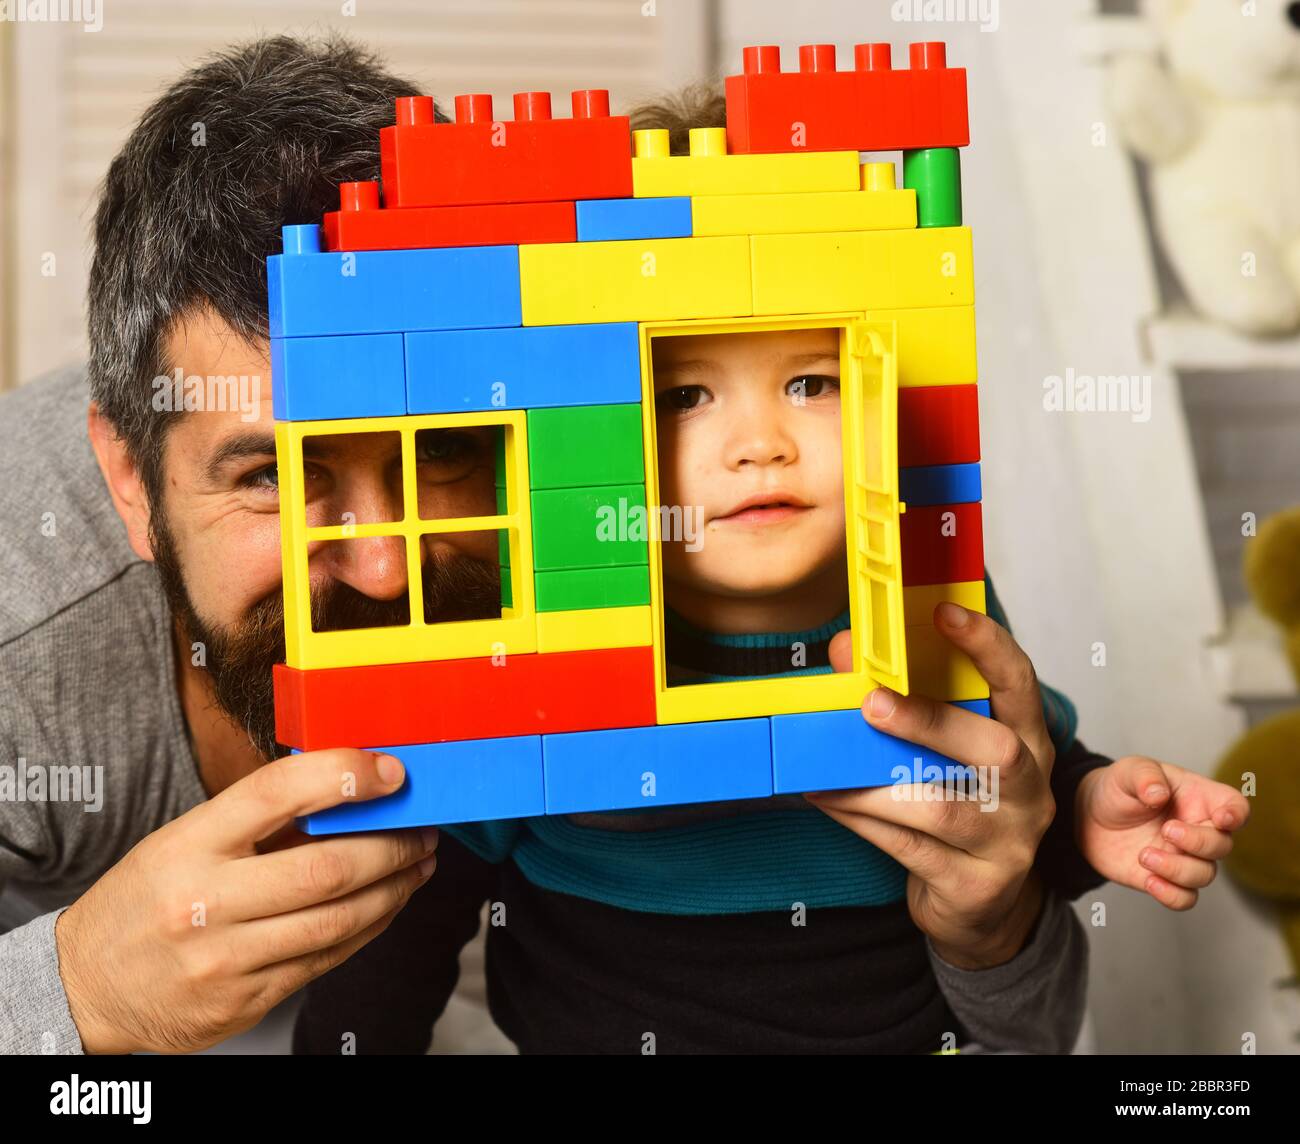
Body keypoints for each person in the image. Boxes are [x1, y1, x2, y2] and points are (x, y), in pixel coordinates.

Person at [0, 36, 1248, 1057]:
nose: (385, 565)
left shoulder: (868, 563)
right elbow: (404, 951)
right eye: (279, 478)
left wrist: (1010, 909)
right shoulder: (28, 638)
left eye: (440, 453)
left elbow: (1027, 1009)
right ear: (126, 475)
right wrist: (79, 997)